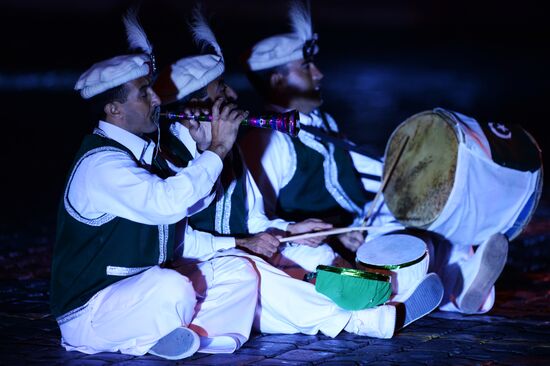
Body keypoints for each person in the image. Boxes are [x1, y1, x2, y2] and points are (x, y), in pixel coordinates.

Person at [153, 7, 445, 346]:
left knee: (314, 257)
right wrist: (243, 243)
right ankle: (371, 317)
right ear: (192, 111)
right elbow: (172, 243)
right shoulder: (168, 159)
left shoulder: (228, 148)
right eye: (221, 91)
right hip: (207, 262)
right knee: (260, 277)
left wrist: (293, 231)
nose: (232, 96)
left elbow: (254, 218)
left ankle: (388, 294)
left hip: (240, 249)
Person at [241, 0, 509, 315]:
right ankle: (444, 288)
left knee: (419, 218)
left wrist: (414, 174)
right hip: (322, 239)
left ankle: (454, 284)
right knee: (402, 248)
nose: (319, 73)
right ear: (278, 81)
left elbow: (359, 165)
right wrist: (323, 235)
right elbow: (256, 218)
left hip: (355, 225)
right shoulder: (267, 141)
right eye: (306, 67)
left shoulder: (322, 123)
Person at [49, 9, 258, 360]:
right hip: (91, 311)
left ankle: (202, 341)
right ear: (115, 110)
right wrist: (219, 149)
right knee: (172, 287)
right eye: (145, 93)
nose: (158, 99)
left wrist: (204, 148)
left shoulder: (144, 152)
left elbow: (188, 207)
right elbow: (167, 203)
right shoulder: (102, 164)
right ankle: (151, 339)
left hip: (139, 293)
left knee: (238, 271)